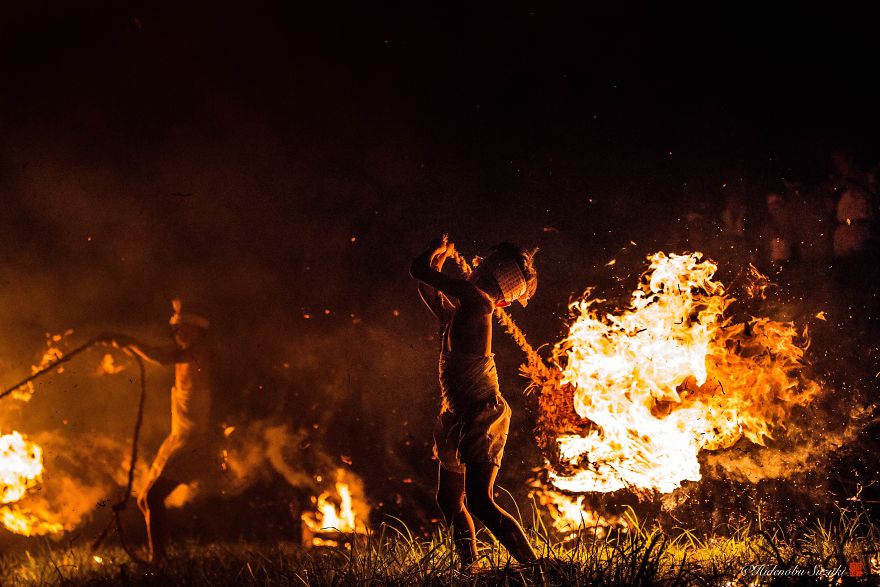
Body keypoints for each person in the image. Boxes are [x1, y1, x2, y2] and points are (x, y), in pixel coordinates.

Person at [410, 236, 538, 569]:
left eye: (481, 267)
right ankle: (470, 567)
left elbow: (417, 270)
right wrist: (435, 266)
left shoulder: (476, 301)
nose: (474, 268)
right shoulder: (464, 309)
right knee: (449, 499)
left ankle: (534, 565)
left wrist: (436, 252)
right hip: (456, 414)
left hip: (482, 414)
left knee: (480, 500)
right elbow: (428, 288)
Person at [99, 299, 213, 563]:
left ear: (198, 332)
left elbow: (161, 357)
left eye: (186, 329)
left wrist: (124, 340)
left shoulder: (201, 351)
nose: (180, 334)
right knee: (144, 500)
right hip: (178, 438)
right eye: (178, 329)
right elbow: (160, 354)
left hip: (194, 442)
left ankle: (159, 561)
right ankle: (157, 556)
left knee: (153, 497)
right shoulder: (187, 353)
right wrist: (125, 344)